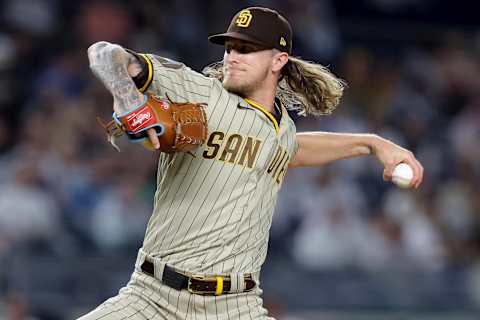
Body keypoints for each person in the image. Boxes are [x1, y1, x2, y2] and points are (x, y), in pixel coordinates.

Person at [81, 6, 423, 320]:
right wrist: (128, 98)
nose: (232, 56)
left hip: (235, 307)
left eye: (246, 49)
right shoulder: (199, 92)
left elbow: (294, 149)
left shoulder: (282, 130)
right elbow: (104, 54)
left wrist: (371, 143)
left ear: (278, 60)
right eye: (230, 48)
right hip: (152, 297)